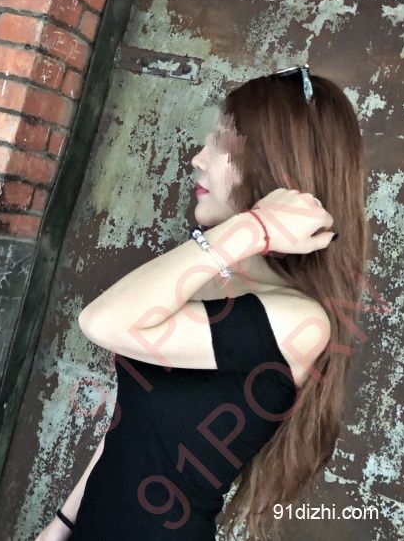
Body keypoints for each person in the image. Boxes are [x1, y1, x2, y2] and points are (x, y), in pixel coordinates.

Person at [35, 68, 369, 540]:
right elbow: (130, 427)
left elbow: (100, 321)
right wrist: (62, 524)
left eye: (222, 143)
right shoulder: (211, 278)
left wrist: (252, 227)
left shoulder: (299, 321)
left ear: (274, 167)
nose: (198, 158)